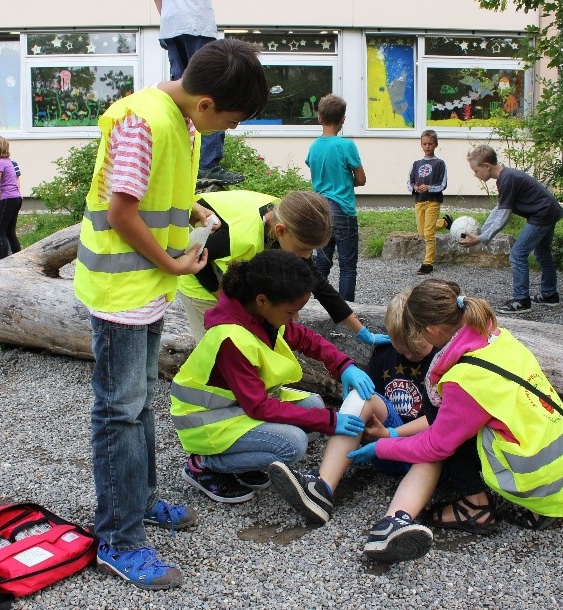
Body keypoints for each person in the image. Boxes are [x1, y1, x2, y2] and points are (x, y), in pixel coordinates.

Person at [72, 38, 269, 590]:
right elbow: (121, 210)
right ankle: (118, 538)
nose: (224, 130)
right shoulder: (143, 121)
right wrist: (173, 263)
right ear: (206, 103)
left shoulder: (178, 117)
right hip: (124, 289)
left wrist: (194, 207)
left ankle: (142, 500)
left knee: (137, 404)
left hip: (145, 285)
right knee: (119, 410)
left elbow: (161, 191)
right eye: (228, 120)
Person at [344, 279, 563, 563]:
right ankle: (535, 507)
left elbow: (436, 446)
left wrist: (380, 447)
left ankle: (476, 508)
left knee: (451, 433)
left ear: (433, 331)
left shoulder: (465, 377)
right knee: (465, 423)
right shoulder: (497, 337)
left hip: (540, 480)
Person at [269, 289, 493, 529]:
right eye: (402, 349)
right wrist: (371, 427)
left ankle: (396, 521)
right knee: (361, 396)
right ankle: (322, 487)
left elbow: (442, 423)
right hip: (385, 447)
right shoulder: (385, 350)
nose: (408, 356)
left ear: (432, 334)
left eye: (416, 352)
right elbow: (374, 397)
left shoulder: (445, 357)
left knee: (433, 450)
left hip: (427, 449)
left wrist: (392, 435)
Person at [170, 249, 375, 505]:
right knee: (293, 444)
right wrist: (329, 421)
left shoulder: (258, 314)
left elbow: (304, 337)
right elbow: (258, 407)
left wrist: (344, 365)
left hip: (238, 408)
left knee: (314, 405)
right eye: (291, 312)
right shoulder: (231, 339)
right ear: (263, 300)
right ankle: (203, 464)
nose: (295, 318)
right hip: (209, 422)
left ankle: (242, 461)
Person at [177, 189, 390, 348]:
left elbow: (320, 285)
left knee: (253, 341)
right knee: (220, 348)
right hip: (198, 274)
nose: (306, 257)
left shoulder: (289, 219)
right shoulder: (237, 236)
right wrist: (224, 299)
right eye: (304, 249)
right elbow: (195, 259)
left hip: (233, 269)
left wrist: (361, 331)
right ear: (280, 231)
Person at [462, 144, 563, 314]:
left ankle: (522, 300)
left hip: (542, 215)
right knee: (543, 254)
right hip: (549, 212)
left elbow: (504, 215)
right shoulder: (506, 177)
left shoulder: (507, 178)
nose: (475, 174)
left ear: (487, 166)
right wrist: (483, 233)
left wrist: (482, 239)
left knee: (517, 255)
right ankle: (550, 294)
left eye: (476, 170)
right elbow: (499, 209)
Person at [155, 0, 244, 186]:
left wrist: (166, 17)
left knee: (183, 93)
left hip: (171, 24)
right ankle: (208, 165)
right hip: (196, 22)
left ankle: (185, 162)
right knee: (212, 90)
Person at [307, 94, 366, 302]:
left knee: (321, 264)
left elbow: (316, 172)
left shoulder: (313, 147)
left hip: (320, 209)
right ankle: (346, 310)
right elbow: (361, 179)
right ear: (343, 119)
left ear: (319, 118)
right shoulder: (346, 146)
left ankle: (315, 305)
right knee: (347, 266)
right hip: (343, 209)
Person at [408, 130, 450, 275]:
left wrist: (429, 188)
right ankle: (444, 222)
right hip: (419, 201)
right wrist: (414, 187)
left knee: (428, 233)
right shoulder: (416, 164)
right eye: (424, 144)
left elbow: (443, 184)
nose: (427, 147)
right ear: (421, 145)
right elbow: (409, 182)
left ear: (435, 144)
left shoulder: (439, 163)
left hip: (433, 201)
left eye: (430, 144)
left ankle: (428, 263)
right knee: (422, 232)